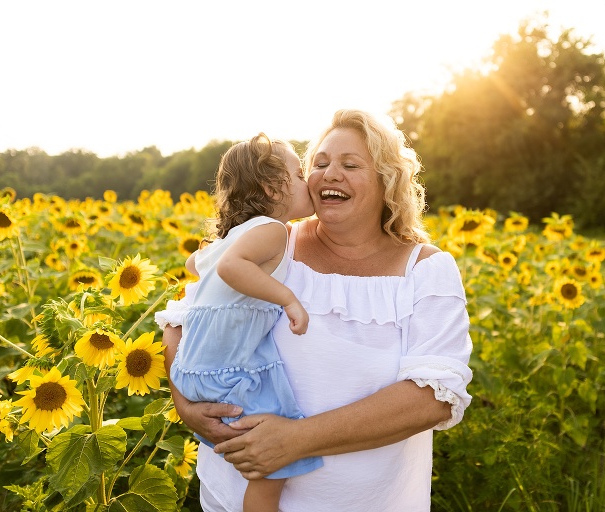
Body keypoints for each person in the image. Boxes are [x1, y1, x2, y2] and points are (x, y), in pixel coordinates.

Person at [161, 109, 474, 511]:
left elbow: (433, 397)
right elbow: (181, 320)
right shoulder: (271, 242)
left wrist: (295, 440)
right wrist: (186, 406)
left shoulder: (426, 269)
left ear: (387, 181)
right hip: (233, 495)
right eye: (320, 163)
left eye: (350, 164)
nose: (330, 174)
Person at [155, 133, 322, 512]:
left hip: (192, 371)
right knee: (274, 462)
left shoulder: (229, 239)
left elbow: (194, 264)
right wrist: (288, 299)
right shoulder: (273, 230)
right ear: (271, 187)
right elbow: (232, 267)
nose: (307, 179)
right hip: (229, 372)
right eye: (298, 174)